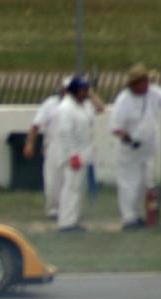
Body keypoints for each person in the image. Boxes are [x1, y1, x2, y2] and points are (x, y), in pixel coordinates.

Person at [110, 63, 161, 229]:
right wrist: (129, 140)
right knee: (128, 183)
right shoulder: (123, 100)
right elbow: (115, 128)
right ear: (135, 83)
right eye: (144, 81)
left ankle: (139, 215)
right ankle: (128, 218)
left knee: (143, 182)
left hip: (148, 146)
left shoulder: (154, 92)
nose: (148, 83)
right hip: (129, 148)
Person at [25, 77, 106, 219]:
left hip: (76, 146)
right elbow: (36, 125)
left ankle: (68, 211)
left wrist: (90, 94)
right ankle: (54, 209)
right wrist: (30, 144)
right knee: (53, 179)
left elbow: (100, 108)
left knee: (71, 181)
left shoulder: (83, 105)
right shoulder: (52, 104)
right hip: (55, 144)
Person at [55, 75, 95, 232]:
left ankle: (74, 220)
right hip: (72, 155)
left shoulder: (82, 105)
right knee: (71, 189)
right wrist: (73, 155)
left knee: (78, 189)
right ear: (74, 91)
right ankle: (66, 222)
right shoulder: (66, 108)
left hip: (83, 153)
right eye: (83, 90)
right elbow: (65, 133)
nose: (86, 92)